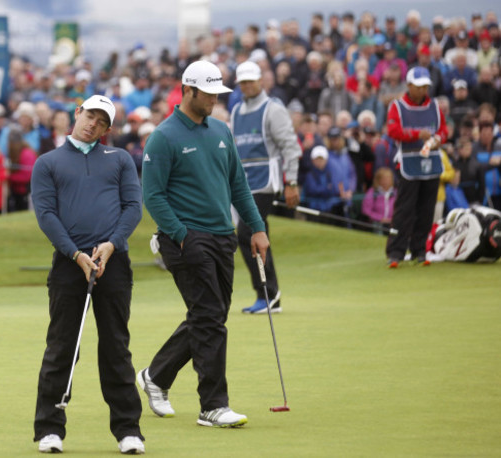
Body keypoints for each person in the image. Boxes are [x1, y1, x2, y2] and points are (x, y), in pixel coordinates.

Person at [139, 60, 269, 428]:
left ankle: (156, 376)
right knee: (211, 317)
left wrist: (256, 228)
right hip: (184, 239)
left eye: (217, 93)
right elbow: (154, 196)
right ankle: (213, 405)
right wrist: (181, 235)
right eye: (208, 93)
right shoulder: (163, 137)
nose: (214, 99)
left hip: (222, 235)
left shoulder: (221, 131)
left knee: (208, 315)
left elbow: (239, 185)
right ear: (189, 90)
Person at [30, 95, 145, 454]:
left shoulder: (120, 159)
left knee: (116, 347)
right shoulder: (48, 162)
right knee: (62, 346)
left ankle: (128, 431)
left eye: (101, 121)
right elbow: (46, 215)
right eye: (89, 116)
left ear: (108, 129)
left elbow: (133, 207)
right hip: (69, 264)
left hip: (113, 262)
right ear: (77, 113)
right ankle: (49, 429)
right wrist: (75, 253)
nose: (93, 124)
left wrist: (112, 244)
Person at [229, 60, 301, 314]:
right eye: (243, 82)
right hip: (242, 184)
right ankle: (268, 296)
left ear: (261, 81)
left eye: (251, 81)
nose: (247, 86)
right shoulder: (236, 111)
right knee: (251, 236)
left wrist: (291, 182)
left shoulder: (273, 109)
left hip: (266, 181)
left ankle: (269, 294)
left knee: (248, 233)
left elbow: (290, 148)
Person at [385, 67, 449, 267]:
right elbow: (393, 130)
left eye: (425, 87)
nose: (423, 91)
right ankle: (396, 251)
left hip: (430, 161)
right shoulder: (398, 106)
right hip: (408, 161)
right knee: (405, 209)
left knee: (426, 208)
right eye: (419, 86)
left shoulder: (435, 106)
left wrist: (439, 138)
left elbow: (443, 129)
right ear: (409, 85)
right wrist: (415, 134)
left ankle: (420, 249)